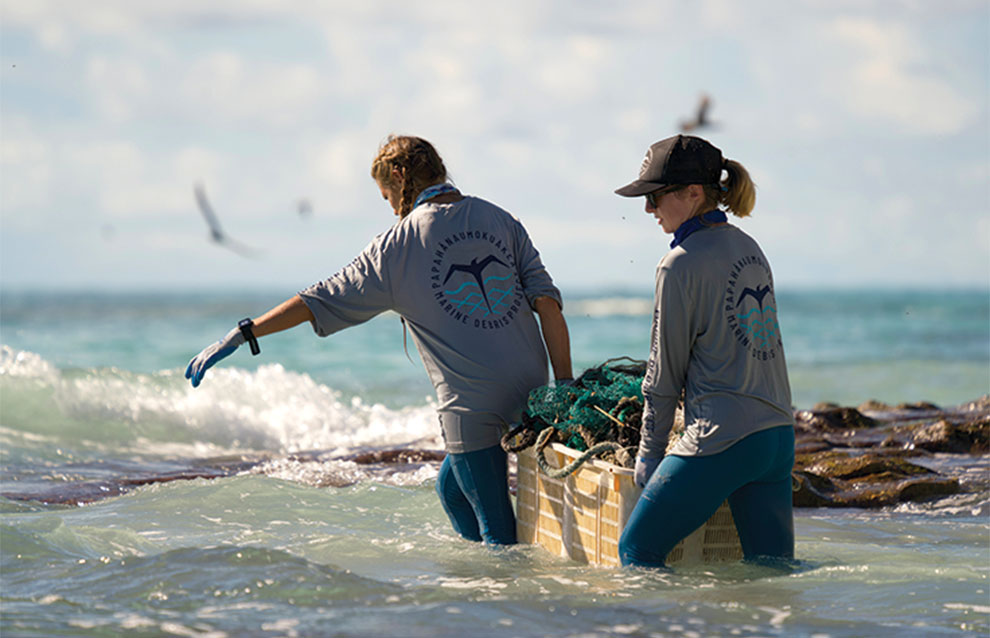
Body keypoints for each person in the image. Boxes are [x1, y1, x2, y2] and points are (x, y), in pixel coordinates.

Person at [185, 134, 573, 546]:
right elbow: (548, 305)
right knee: (452, 491)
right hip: (530, 384)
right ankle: (483, 592)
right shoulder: (502, 220)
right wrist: (563, 385)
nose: (390, 207)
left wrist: (246, 332)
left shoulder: (394, 248)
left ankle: (505, 600)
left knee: (498, 533)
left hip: (471, 403)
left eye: (387, 195)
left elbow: (317, 298)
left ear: (401, 177)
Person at [613, 134, 795, 568]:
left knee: (637, 550)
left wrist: (650, 453)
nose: (648, 209)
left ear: (693, 193)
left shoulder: (678, 264)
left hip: (721, 440)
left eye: (655, 197)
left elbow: (663, 373)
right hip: (777, 437)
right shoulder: (750, 247)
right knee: (772, 571)